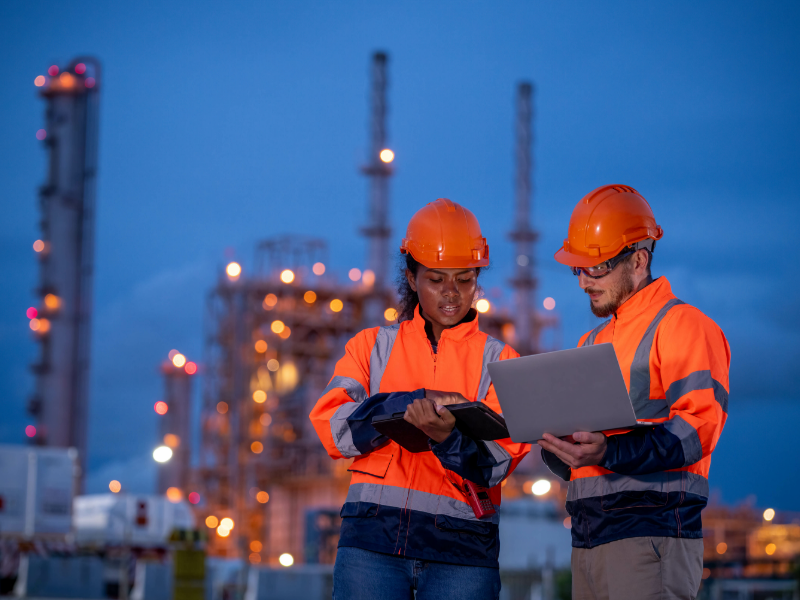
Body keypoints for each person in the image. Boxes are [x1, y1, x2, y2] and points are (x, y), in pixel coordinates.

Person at [309, 198, 529, 600]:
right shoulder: (370, 347)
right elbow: (334, 429)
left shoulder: (501, 360)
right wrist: (405, 406)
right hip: (372, 544)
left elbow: (499, 462)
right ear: (411, 278)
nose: (452, 293)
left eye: (465, 279)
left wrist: (448, 438)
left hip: (461, 551)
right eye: (437, 279)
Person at [538, 184, 730, 600]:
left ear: (639, 260)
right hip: (588, 541)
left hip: (651, 539)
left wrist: (608, 451)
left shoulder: (682, 326)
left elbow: (698, 429)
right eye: (578, 269)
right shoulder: (590, 343)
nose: (584, 282)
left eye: (597, 268)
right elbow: (586, 456)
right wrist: (561, 446)